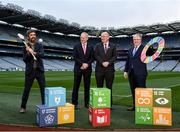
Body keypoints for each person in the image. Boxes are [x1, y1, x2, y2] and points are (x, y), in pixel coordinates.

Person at [20, 29, 45, 113]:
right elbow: (25, 60)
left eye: (34, 34)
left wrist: (33, 52)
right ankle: (23, 107)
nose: (33, 36)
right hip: (30, 72)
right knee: (26, 90)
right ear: (28, 37)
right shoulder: (25, 46)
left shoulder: (39, 45)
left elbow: (42, 54)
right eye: (31, 35)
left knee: (43, 89)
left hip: (39, 71)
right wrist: (27, 53)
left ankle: (44, 106)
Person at [124, 33, 147, 111]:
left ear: (140, 40)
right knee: (133, 90)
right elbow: (128, 61)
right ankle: (135, 106)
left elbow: (151, 53)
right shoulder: (130, 49)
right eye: (134, 39)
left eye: (137, 39)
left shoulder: (145, 49)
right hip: (131, 73)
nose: (135, 41)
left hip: (141, 73)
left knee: (142, 91)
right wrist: (125, 71)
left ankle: (143, 107)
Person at [94, 31, 117, 108]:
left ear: (108, 37)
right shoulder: (97, 45)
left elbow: (115, 56)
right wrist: (102, 62)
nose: (102, 38)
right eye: (101, 36)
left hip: (109, 70)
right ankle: (99, 104)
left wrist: (108, 62)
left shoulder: (113, 46)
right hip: (99, 70)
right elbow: (96, 55)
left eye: (104, 36)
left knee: (109, 88)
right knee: (99, 88)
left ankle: (109, 105)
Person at [72, 32, 94, 109]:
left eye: (84, 37)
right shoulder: (76, 46)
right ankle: (74, 103)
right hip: (78, 68)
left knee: (87, 87)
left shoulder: (91, 47)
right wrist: (82, 64)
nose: (82, 39)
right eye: (81, 37)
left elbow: (92, 58)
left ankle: (87, 103)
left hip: (88, 69)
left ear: (87, 38)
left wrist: (87, 64)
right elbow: (75, 57)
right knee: (76, 86)